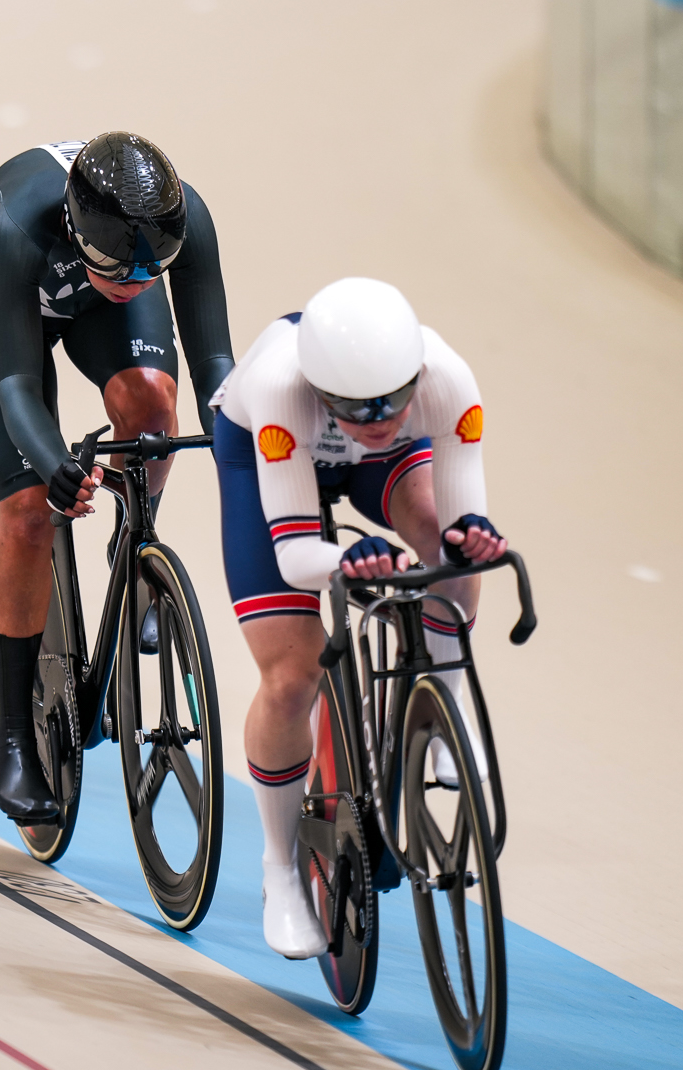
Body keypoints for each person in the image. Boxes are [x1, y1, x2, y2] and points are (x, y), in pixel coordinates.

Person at [211, 277, 506, 959]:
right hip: (268, 455)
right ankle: (280, 869)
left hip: (382, 469)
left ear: (418, 377)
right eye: (354, 407)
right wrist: (346, 556)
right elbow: (293, 555)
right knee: (292, 675)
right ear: (321, 390)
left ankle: (442, 713)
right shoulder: (283, 391)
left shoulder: (448, 380)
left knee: (443, 545)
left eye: (393, 401)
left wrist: (473, 540)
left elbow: (464, 521)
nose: (377, 418)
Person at [0, 134, 235, 824]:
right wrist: (53, 468)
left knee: (153, 407)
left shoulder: (178, 222)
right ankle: (12, 733)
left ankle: (132, 548)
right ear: (78, 233)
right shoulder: (23, 222)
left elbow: (216, 369)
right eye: (124, 274)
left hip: (89, 292)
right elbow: (18, 389)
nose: (139, 286)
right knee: (26, 511)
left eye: (150, 276)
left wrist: (242, 449)